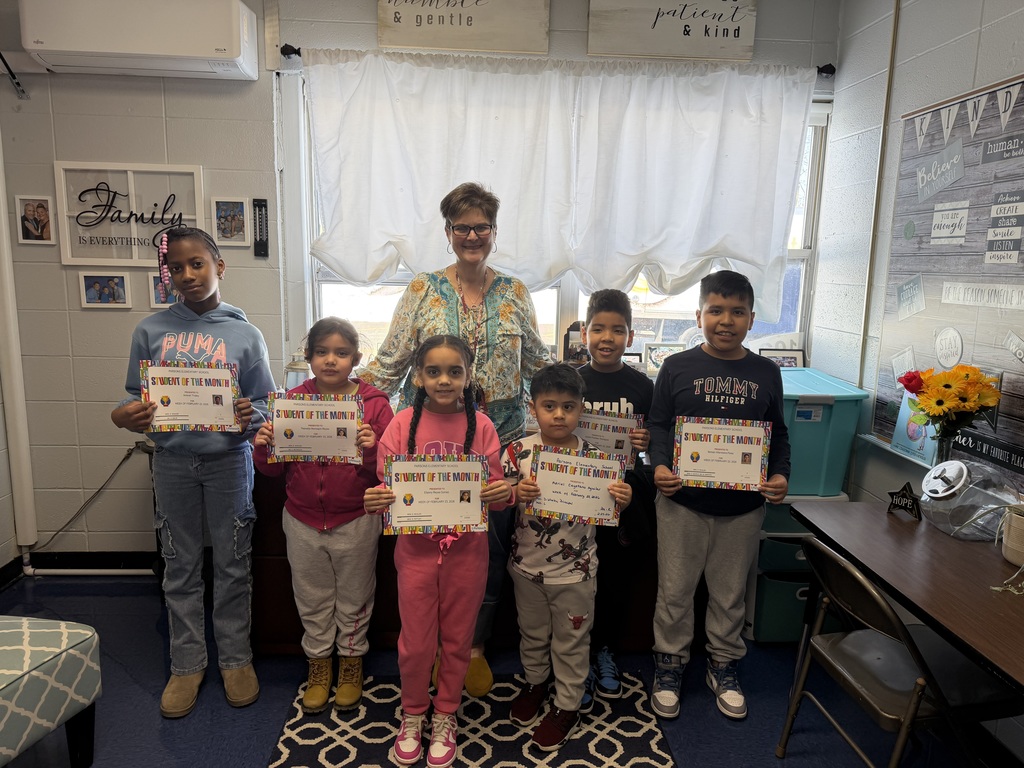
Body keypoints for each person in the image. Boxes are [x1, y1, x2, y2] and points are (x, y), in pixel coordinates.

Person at [361, 181, 551, 696]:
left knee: (482, 558)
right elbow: (391, 360)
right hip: (428, 452)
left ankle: (471, 648)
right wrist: (333, 401)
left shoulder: (515, 294)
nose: (472, 235)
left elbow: (539, 366)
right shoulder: (423, 290)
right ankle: (425, 651)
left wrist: (589, 400)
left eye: (481, 227)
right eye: (462, 227)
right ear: (448, 233)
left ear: (493, 232)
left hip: (500, 446)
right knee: (426, 558)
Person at [110, 227, 276, 719]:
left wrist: (253, 416)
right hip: (173, 462)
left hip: (229, 461)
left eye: (197, 264)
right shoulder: (150, 330)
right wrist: (123, 416)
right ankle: (186, 663)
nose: (187, 275)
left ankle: (235, 659)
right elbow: (131, 400)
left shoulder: (246, 333)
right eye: (176, 268)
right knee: (179, 562)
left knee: (232, 562)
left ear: (219, 266)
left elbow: (265, 405)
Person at [647, 270, 791, 721]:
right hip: (682, 504)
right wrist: (661, 466)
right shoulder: (676, 366)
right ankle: (669, 664)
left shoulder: (766, 371)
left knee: (729, 594)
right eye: (715, 310)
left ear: (752, 319)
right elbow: (657, 426)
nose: (725, 321)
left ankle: (723, 664)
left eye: (737, 312)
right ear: (699, 315)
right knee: (675, 591)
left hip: (743, 508)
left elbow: (778, 433)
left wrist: (781, 476)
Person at [363, 335, 512, 768]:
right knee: (415, 643)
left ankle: (445, 713)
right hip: (415, 553)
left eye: (454, 371)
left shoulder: (481, 425)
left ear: (468, 377)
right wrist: (378, 498)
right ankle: (413, 714)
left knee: (459, 639)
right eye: (433, 371)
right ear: (418, 376)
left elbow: (498, 495)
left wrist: (502, 492)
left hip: (468, 552)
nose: (444, 380)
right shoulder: (401, 422)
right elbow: (387, 486)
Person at [254, 317, 394, 714]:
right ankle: (319, 664)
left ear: (356, 358)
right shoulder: (291, 401)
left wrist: (372, 446)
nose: (331, 360)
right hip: (301, 519)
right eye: (321, 352)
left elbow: (389, 470)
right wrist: (264, 445)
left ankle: (351, 663)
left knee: (355, 595)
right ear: (309, 356)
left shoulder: (375, 404)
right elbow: (270, 470)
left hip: (355, 518)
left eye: (341, 353)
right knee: (311, 596)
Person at [504, 363, 632, 751]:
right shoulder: (517, 451)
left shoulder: (597, 458)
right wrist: (513, 493)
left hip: (576, 574)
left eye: (568, 406)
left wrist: (622, 500)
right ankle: (536, 682)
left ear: (581, 409)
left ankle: (567, 704)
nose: (559, 415)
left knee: (572, 642)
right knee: (532, 635)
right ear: (533, 408)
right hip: (526, 569)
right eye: (549, 406)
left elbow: (611, 507)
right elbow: (499, 497)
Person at [576, 289, 657, 701]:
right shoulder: (570, 381)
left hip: (618, 500)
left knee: (610, 580)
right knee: (575, 580)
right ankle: (578, 659)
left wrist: (644, 441)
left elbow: (655, 451)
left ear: (630, 335)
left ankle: (604, 650)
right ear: (584, 332)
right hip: (572, 502)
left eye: (618, 330)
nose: (607, 338)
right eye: (598, 329)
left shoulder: (643, 386)